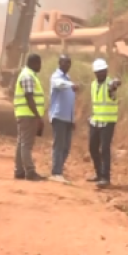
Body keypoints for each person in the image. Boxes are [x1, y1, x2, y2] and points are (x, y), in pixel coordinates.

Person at [88, 58, 121, 188]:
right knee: (92, 148)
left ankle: (105, 178)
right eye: (99, 72)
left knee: (104, 149)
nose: (101, 73)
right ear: (95, 73)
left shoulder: (110, 84)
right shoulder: (93, 85)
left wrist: (115, 84)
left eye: (103, 71)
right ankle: (99, 173)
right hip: (95, 121)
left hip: (108, 122)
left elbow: (115, 85)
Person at [13, 54, 46, 181]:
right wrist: (37, 116)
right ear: (34, 63)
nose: (40, 66)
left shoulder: (27, 74)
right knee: (26, 144)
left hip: (24, 113)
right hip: (28, 115)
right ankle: (30, 171)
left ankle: (19, 170)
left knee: (21, 143)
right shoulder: (28, 75)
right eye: (39, 63)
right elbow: (29, 97)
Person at [48, 54, 78, 183]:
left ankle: (59, 169)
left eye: (69, 63)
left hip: (67, 119)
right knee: (59, 145)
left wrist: (72, 119)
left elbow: (70, 102)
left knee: (66, 147)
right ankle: (56, 172)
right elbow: (60, 85)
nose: (67, 65)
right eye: (65, 62)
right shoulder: (57, 77)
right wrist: (71, 86)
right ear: (59, 63)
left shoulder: (68, 78)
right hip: (59, 116)